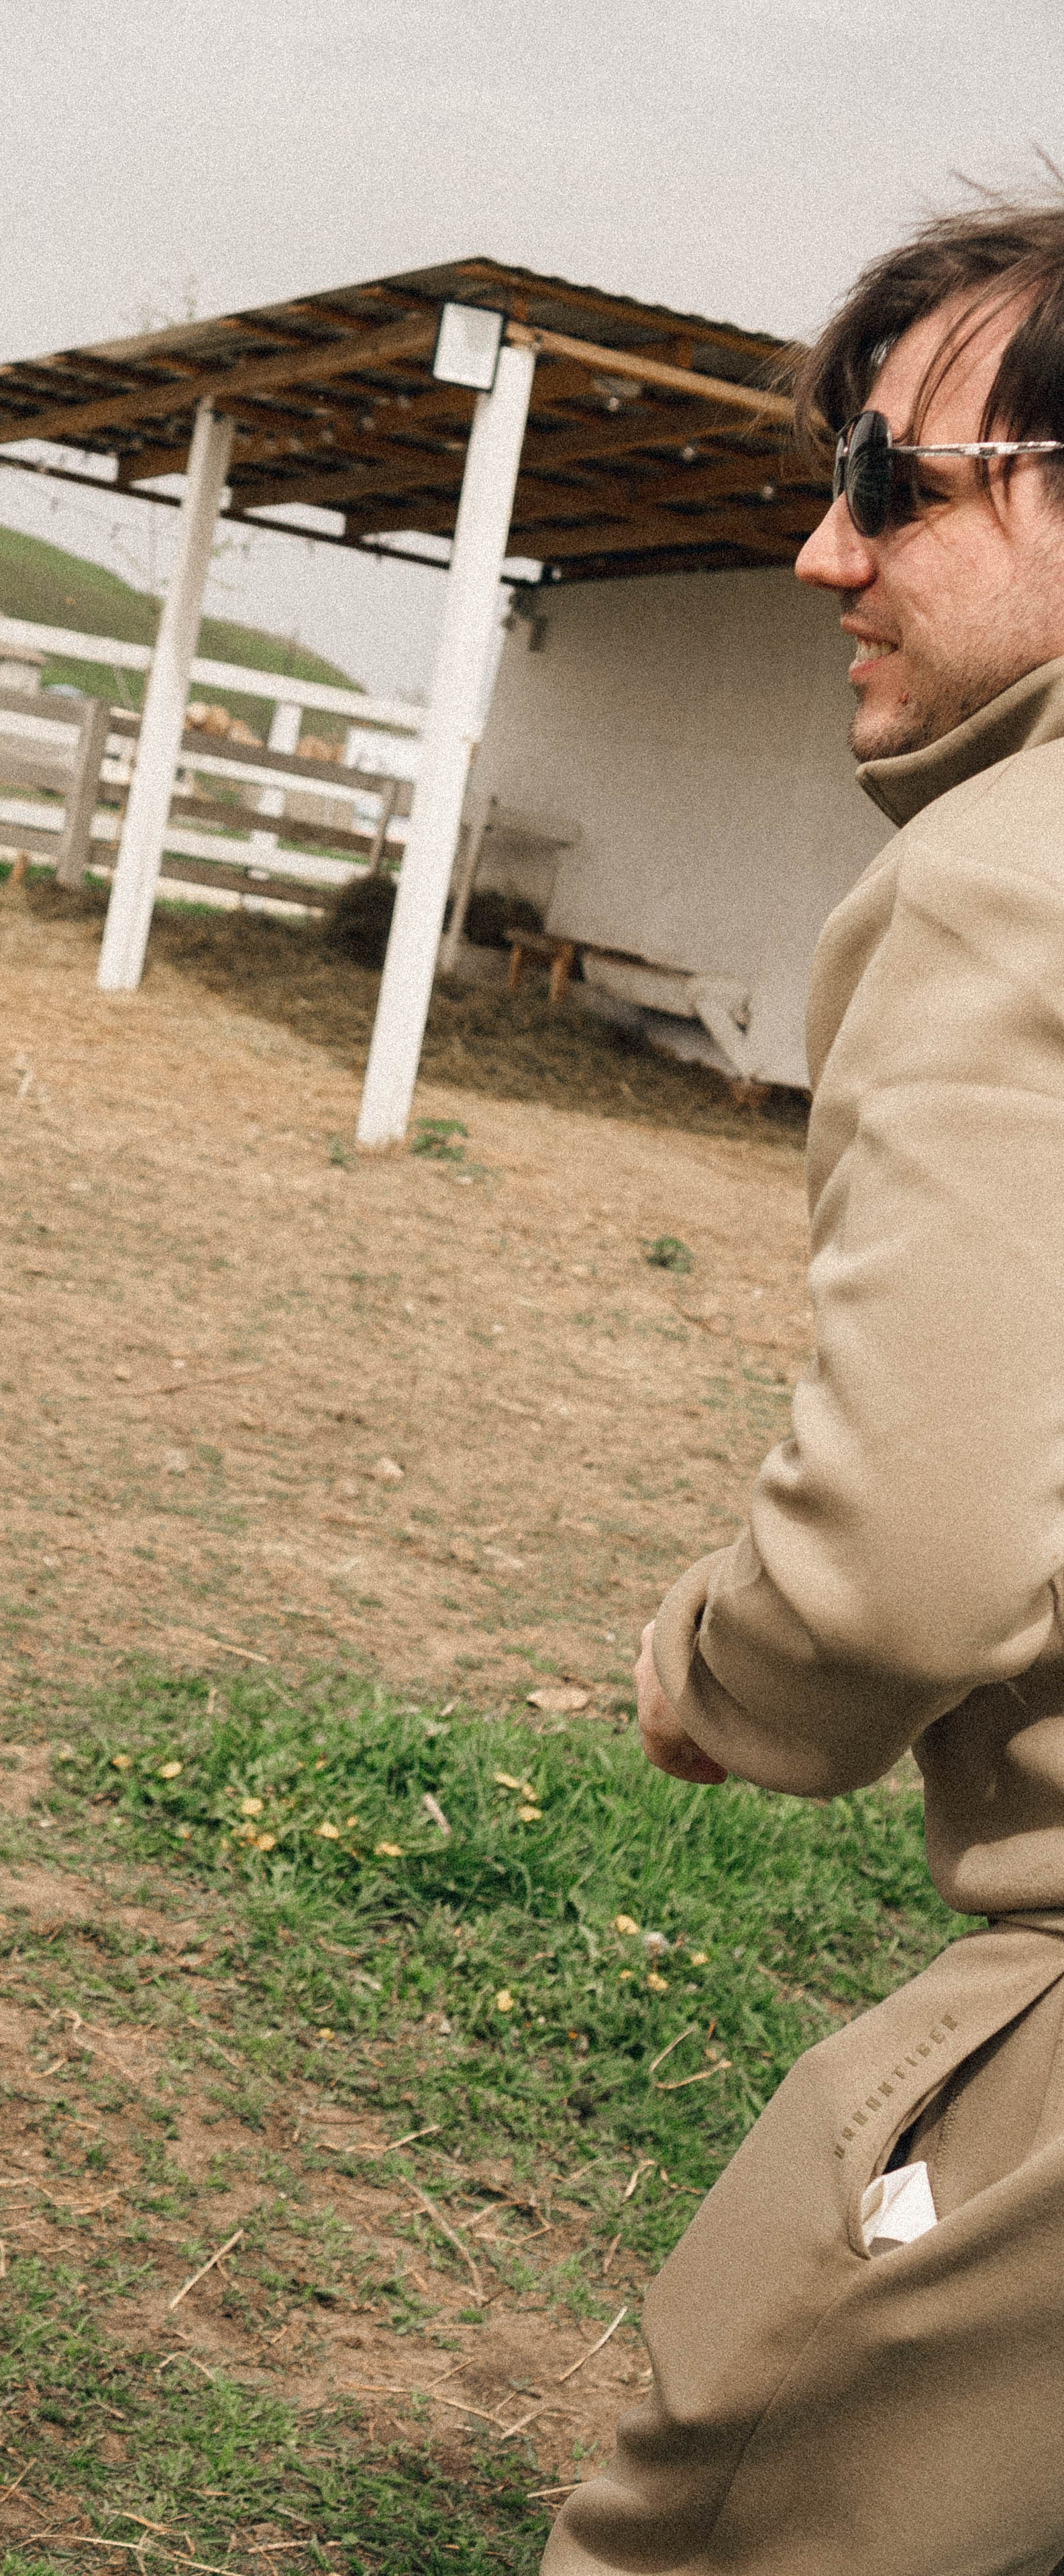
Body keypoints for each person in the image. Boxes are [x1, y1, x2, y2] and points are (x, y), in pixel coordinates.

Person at [545, 201, 1064, 2576]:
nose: (819, 547)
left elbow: (904, 1562)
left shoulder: (1007, 880)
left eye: (895, 478)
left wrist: (710, 1669)